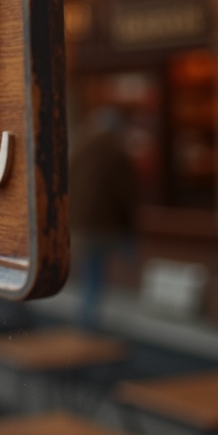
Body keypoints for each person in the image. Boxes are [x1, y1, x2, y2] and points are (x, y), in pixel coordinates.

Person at [69, 108, 139, 329]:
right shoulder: (117, 154)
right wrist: (129, 227)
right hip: (104, 226)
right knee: (96, 270)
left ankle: (87, 312)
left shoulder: (80, 150)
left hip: (81, 224)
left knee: (91, 269)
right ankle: (89, 315)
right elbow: (126, 195)